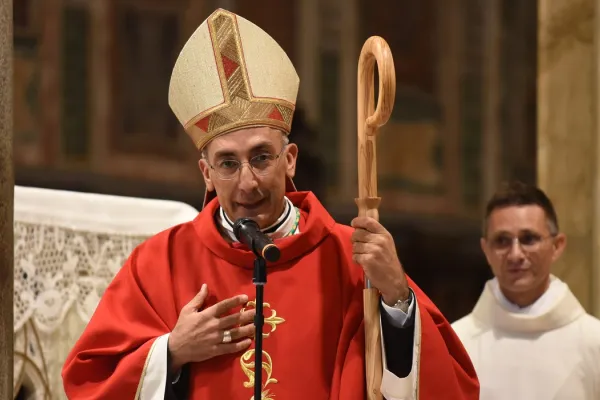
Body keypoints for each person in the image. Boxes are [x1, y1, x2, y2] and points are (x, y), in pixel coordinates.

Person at [61, 8, 479, 400]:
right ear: (205, 173)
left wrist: (396, 297)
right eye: (227, 163)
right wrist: (173, 351)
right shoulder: (161, 264)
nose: (247, 181)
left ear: (290, 159)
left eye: (261, 157)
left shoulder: (350, 257)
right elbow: (90, 380)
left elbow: (451, 386)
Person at [452, 181, 600, 399]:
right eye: (502, 241)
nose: (515, 255)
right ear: (486, 249)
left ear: (556, 246)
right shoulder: (457, 344)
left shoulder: (593, 341)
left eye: (528, 239)